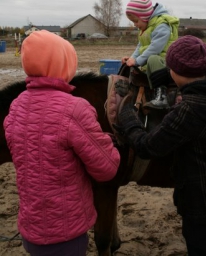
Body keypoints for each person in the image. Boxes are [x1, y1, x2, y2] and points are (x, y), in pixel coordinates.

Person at [116, 35, 206, 256]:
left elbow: (148, 147)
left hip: (205, 204)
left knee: (202, 249)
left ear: (176, 73)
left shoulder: (188, 111)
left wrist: (128, 117)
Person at [4, 30, 120, 256]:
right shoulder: (74, 109)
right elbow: (106, 169)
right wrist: (106, 143)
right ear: (65, 66)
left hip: (32, 227)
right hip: (67, 232)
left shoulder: (16, 107)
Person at [121, 0, 179, 109]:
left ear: (145, 16)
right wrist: (132, 58)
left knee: (153, 59)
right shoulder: (145, 28)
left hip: (165, 62)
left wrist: (138, 61)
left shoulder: (162, 25)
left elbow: (155, 48)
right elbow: (140, 46)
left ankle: (161, 96)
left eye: (136, 21)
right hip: (152, 61)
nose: (135, 25)